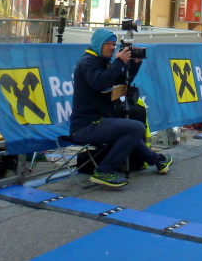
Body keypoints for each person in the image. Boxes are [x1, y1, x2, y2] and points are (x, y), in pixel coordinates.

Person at [69, 28, 171, 187]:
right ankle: (104, 171)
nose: (112, 47)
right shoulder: (87, 62)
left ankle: (157, 160)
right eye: (108, 44)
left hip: (99, 121)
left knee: (129, 129)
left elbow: (122, 80)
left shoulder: (101, 62)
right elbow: (100, 83)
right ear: (98, 44)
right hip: (86, 126)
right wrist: (119, 62)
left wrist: (135, 64)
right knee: (136, 128)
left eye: (114, 44)